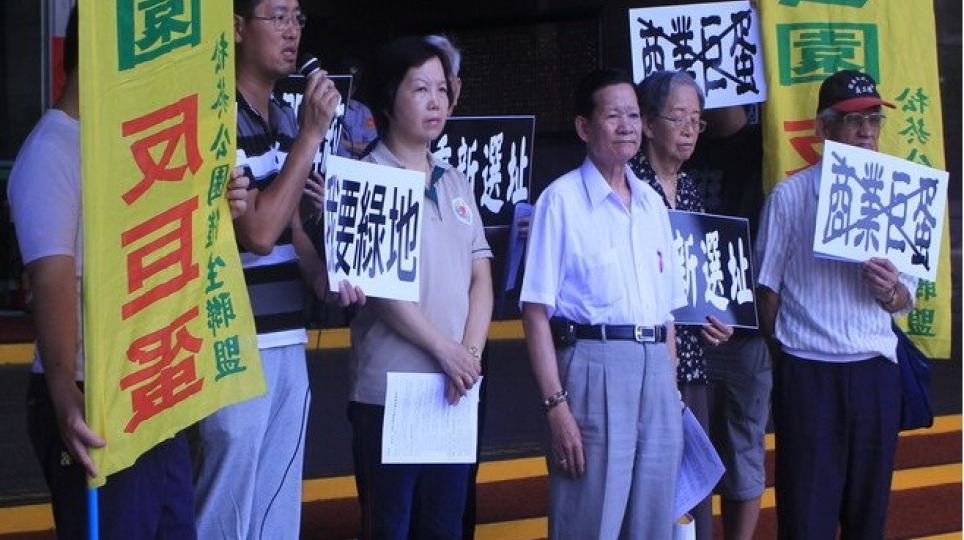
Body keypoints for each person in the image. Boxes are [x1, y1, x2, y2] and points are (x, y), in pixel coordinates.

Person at [8, 7, 249, 539]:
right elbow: (53, 280)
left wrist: (219, 203)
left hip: (152, 389)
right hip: (91, 390)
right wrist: (64, 391)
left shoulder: (122, 141)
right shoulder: (52, 150)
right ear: (98, 53)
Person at [192, 1, 363, 538]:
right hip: (233, 342)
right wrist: (311, 137)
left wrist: (323, 279)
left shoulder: (285, 118)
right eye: (278, 18)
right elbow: (260, 233)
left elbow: (290, 232)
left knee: (277, 509)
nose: (292, 32)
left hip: (288, 334)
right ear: (238, 28)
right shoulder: (217, 114)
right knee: (226, 507)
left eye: (297, 19)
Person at [520, 68, 685, 539]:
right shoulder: (561, 202)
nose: (626, 126)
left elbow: (667, 312)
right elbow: (535, 312)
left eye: (633, 115)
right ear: (583, 127)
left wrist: (670, 387)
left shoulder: (652, 204)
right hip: (594, 368)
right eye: (613, 116)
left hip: (657, 373)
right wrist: (556, 407)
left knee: (653, 522)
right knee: (590, 519)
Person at [755, 69, 915, 539]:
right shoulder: (790, 196)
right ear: (822, 129)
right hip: (809, 372)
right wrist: (788, 357)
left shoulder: (901, 193)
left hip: (875, 371)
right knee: (806, 516)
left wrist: (889, 291)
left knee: (869, 515)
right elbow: (766, 290)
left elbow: (906, 296)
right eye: (852, 120)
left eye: (874, 120)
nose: (866, 131)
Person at [347, 36, 493, 540]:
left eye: (441, 90)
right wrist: (445, 351)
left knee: (444, 527)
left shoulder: (455, 180)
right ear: (390, 99)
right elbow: (380, 288)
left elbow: (481, 276)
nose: (436, 102)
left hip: (453, 391)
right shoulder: (367, 177)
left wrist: (468, 356)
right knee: (389, 528)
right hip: (391, 392)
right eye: (420, 89)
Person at [628, 70, 734, 540]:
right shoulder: (628, 185)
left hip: (690, 362)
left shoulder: (690, 189)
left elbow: (699, 283)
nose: (690, 129)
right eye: (679, 118)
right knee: (649, 492)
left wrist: (719, 319)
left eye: (697, 120)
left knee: (691, 490)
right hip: (644, 364)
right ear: (649, 124)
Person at [688, 103, 772, 540]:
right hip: (684, 332)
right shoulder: (679, 143)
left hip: (744, 332)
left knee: (741, 450)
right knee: (685, 451)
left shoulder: (768, 146)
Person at [335, 58, 378, 159]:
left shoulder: (363, 112)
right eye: (347, 84)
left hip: (352, 165)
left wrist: (343, 143)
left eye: (354, 85)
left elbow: (372, 147)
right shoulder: (322, 104)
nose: (350, 88)